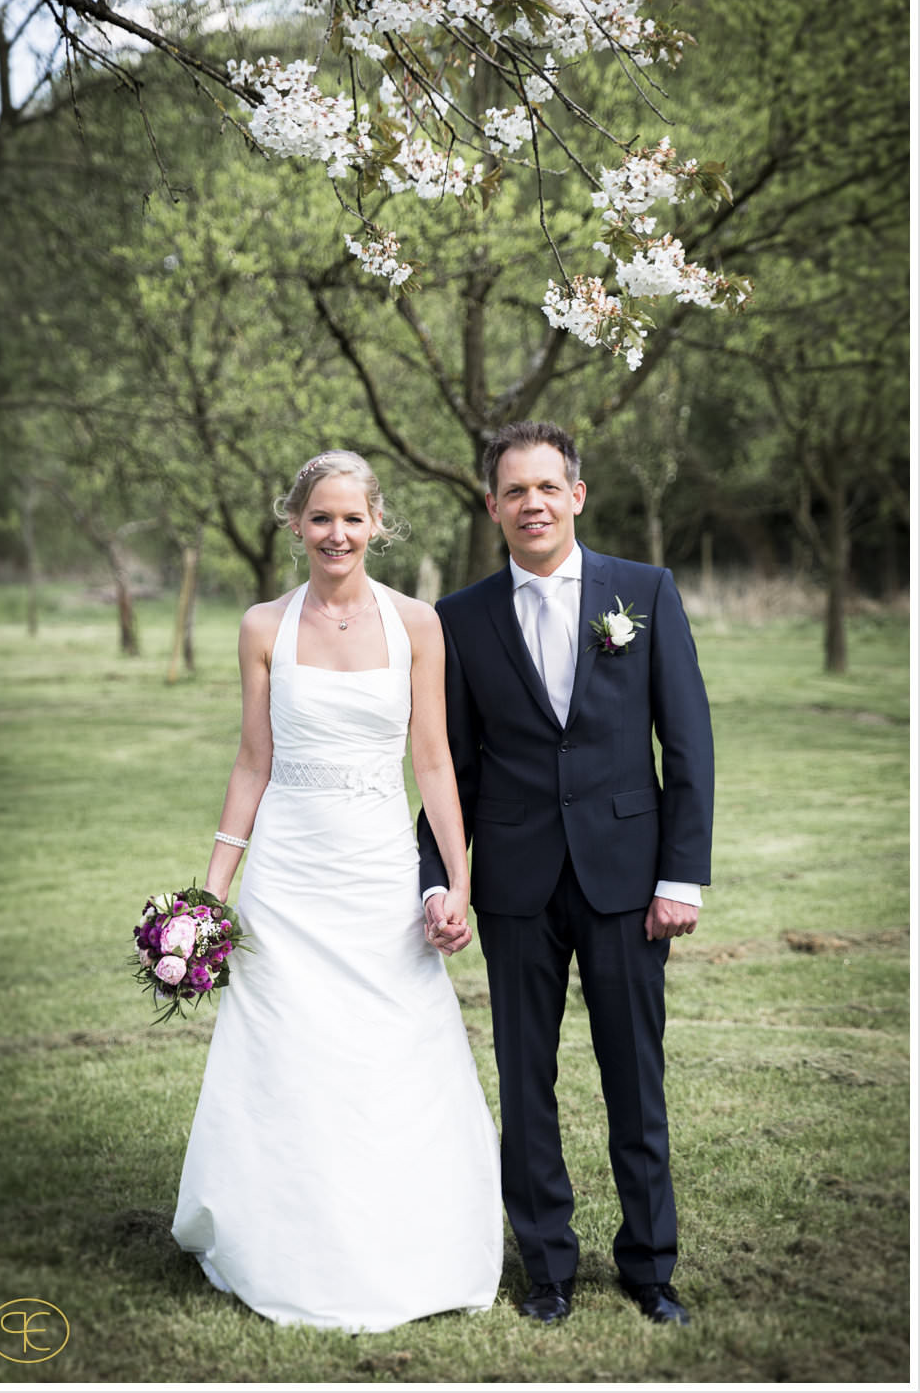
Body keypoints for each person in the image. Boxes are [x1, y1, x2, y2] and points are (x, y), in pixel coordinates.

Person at [172, 450, 502, 1333]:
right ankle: (279, 1239)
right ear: (294, 523)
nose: (337, 534)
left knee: (388, 1048)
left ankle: (406, 1241)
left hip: (377, 874)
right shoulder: (261, 627)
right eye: (320, 517)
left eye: (353, 518)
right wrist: (209, 898)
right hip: (288, 874)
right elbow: (252, 760)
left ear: (377, 525)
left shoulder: (418, 626)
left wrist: (457, 882)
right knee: (288, 1052)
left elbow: (432, 761)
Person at [417, 421, 713, 1327]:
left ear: (576, 496)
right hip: (514, 883)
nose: (532, 504)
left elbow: (688, 742)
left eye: (548, 488)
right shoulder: (458, 619)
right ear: (494, 505)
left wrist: (682, 877)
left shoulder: (644, 592)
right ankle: (546, 1266)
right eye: (514, 491)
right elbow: (447, 769)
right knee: (526, 1081)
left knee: (635, 1075)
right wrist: (441, 879)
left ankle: (650, 1266)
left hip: (627, 880)